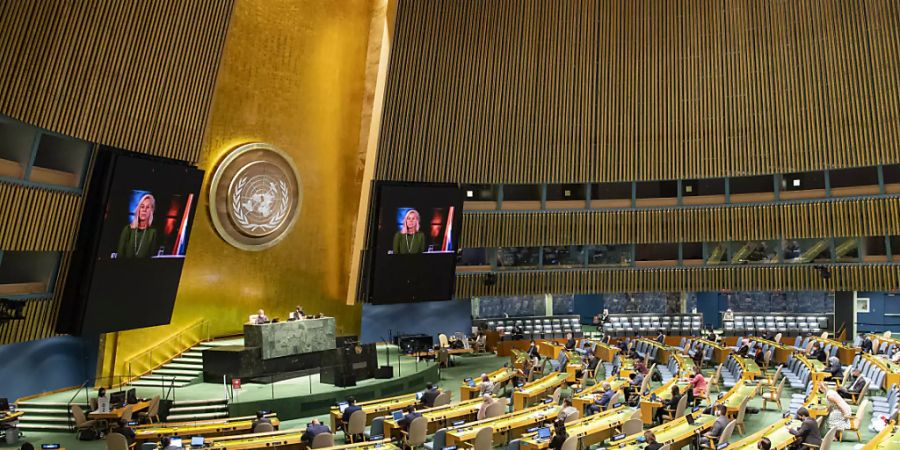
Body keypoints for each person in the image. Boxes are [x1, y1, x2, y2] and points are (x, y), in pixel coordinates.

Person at [115, 193, 158, 258]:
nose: (144, 210)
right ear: (138, 209)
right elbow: (119, 256)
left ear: (151, 211)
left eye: (147, 207)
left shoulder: (153, 232)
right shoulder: (128, 229)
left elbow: (151, 258)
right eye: (142, 206)